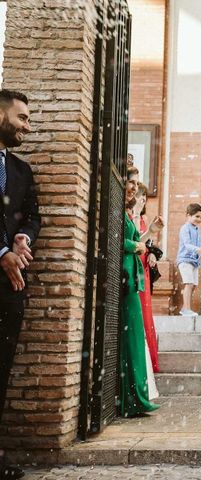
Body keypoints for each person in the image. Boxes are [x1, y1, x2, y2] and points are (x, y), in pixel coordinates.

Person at [0, 90, 40, 480]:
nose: (28, 126)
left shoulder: (22, 171)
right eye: (22, 117)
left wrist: (23, 239)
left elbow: (32, 216)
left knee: (2, 369)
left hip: (9, 290)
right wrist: (0, 251)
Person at [119, 166, 160, 417]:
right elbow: (115, 240)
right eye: (129, 182)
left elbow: (136, 241)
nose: (134, 187)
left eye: (135, 183)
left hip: (134, 277)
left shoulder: (124, 211)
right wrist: (137, 246)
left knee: (134, 337)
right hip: (124, 276)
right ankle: (131, 398)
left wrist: (150, 233)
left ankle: (136, 397)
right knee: (130, 337)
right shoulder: (115, 209)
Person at [132, 184, 163, 372]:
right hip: (133, 265)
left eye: (144, 196)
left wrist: (152, 253)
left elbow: (147, 242)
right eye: (139, 195)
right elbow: (135, 240)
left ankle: (150, 360)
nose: (142, 199)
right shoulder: (131, 216)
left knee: (146, 311)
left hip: (144, 266)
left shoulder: (143, 218)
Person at [176, 203, 201, 317]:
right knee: (189, 284)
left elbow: (197, 245)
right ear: (188, 215)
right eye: (197, 216)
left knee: (193, 285)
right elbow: (187, 245)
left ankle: (184, 306)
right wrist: (199, 249)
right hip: (185, 260)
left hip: (194, 262)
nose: (199, 219)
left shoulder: (196, 229)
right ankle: (186, 309)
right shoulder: (185, 228)